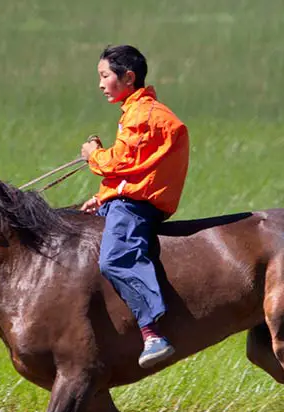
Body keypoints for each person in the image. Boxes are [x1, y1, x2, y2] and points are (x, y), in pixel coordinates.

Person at [80, 45, 189, 369]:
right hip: (129, 197)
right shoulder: (137, 112)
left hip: (137, 205)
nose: (100, 84)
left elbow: (122, 162)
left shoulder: (144, 116)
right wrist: (103, 197)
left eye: (105, 76)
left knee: (116, 258)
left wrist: (92, 156)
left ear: (128, 77)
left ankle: (152, 333)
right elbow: (137, 169)